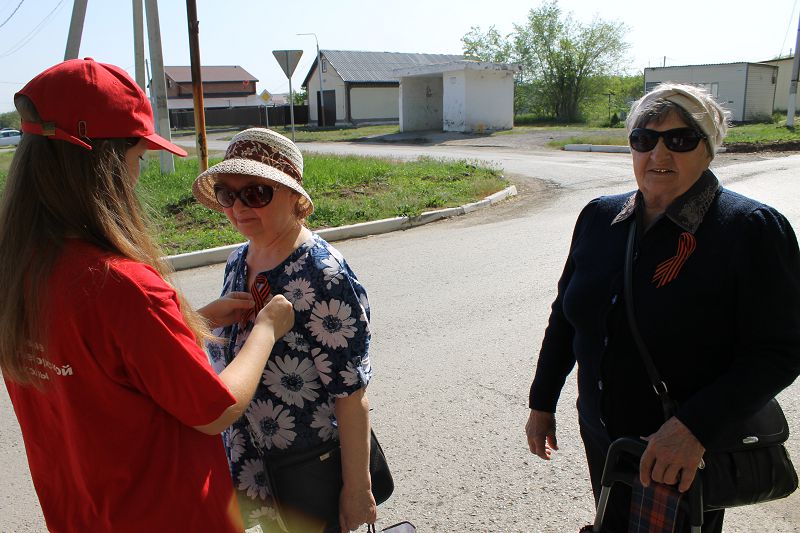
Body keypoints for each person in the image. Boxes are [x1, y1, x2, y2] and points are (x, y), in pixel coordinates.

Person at [0, 58, 295, 533]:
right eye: (137, 158)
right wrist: (266, 328)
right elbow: (217, 409)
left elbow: (102, 363)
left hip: (83, 515)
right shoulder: (122, 285)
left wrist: (192, 322)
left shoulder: (18, 269)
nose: (138, 175)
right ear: (102, 162)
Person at [525, 83, 800, 532]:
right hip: (603, 433)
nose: (659, 153)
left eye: (680, 139)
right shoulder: (599, 217)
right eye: (644, 139)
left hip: (677, 443)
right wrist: (542, 401)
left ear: (708, 149)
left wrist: (694, 429)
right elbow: (567, 317)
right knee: (612, 522)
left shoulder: (750, 228)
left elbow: (781, 350)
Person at [192, 127, 376, 533]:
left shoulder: (322, 274)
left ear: (295, 198)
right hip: (256, 465)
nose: (239, 208)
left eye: (256, 193)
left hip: (308, 469)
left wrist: (357, 488)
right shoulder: (239, 259)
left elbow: (351, 396)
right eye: (227, 194)